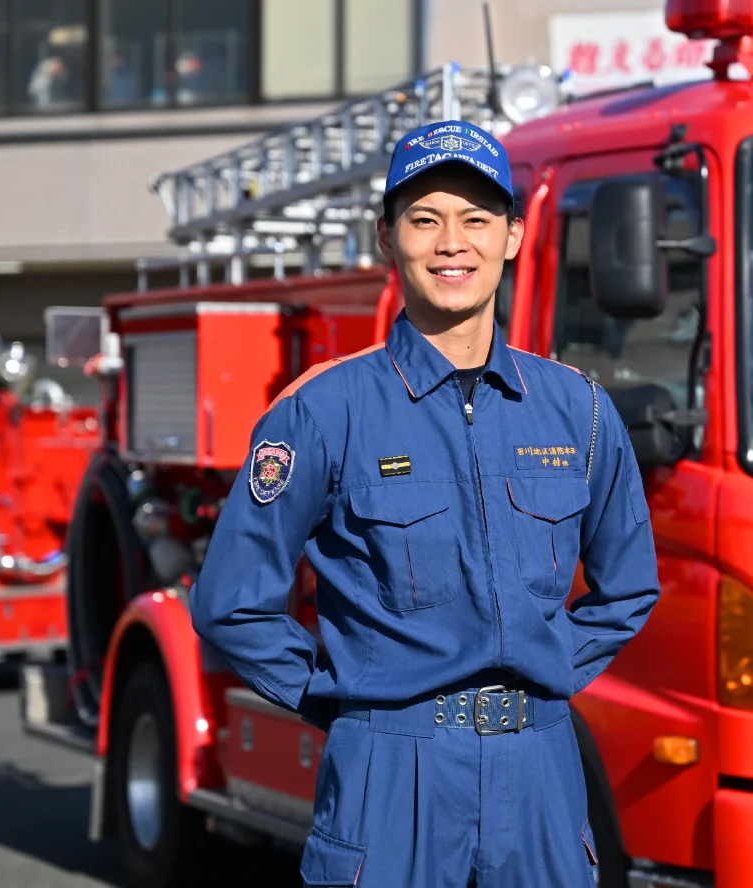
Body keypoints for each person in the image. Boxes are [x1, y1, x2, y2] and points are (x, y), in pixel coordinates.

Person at [190, 119, 661, 887]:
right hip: (390, 771)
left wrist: (547, 672)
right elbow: (230, 604)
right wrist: (347, 697)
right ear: (387, 238)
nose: (453, 243)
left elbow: (629, 587)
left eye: (476, 219)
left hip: (540, 768)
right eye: (425, 219)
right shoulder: (322, 412)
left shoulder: (578, 410)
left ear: (512, 237)